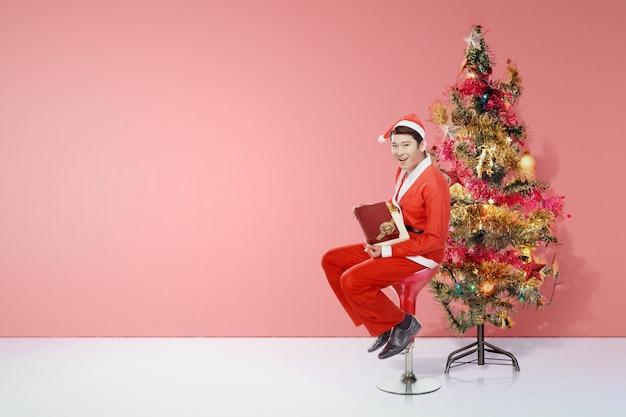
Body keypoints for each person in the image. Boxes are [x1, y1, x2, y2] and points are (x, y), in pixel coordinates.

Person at [321, 113, 451, 359]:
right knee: (331, 260)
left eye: (406, 145)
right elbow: (398, 206)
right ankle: (383, 325)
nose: (399, 152)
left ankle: (402, 324)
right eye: (395, 145)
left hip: (422, 254)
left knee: (352, 280)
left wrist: (387, 251)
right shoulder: (403, 171)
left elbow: (436, 239)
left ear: (422, 145)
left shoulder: (434, 183)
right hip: (398, 241)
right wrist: (370, 211)